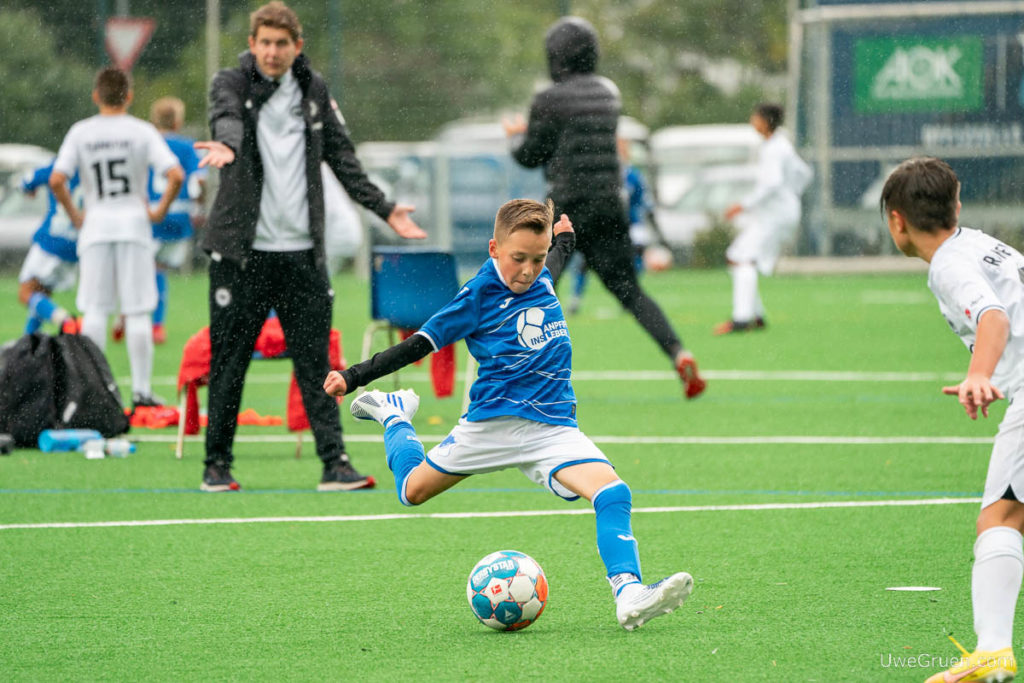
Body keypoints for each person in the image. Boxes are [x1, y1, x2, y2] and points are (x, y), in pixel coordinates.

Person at [323, 199, 694, 631]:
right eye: (518, 259)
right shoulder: (476, 298)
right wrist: (354, 376)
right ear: (494, 249)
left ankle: (629, 595)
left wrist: (565, 240)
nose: (528, 271)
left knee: (614, 494)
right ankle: (394, 415)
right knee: (411, 491)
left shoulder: (543, 277)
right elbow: (417, 345)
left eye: (536, 259)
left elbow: (552, 260)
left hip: (552, 429)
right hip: (490, 426)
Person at [194, 1, 426, 493]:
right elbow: (226, 118)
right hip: (242, 255)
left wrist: (385, 209)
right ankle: (216, 466)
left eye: (282, 44)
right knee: (229, 361)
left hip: (302, 255)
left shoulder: (314, 91)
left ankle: (334, 463)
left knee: (316, 362)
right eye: (265, 43)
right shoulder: (229, 83)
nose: (272, 52)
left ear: (296, 46)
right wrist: (227, 146)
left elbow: (343, 157)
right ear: (253, 44)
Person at [502, 16, 705, 399]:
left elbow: (532, 155)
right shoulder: (609, 93)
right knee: (630, 291)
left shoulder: (548, 98)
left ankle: (525, 376)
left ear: (555, 56)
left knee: (537, 287)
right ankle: (678, 352)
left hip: (567, 210)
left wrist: (515, 138)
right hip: (609, 205)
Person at [881, 157, 1020, 683]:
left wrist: (978, 374)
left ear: (896, 221)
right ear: (956, 206)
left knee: (1000, 519)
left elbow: (993, 316)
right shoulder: (980, 242)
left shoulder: (948, 264)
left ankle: (992, 651)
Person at [50, 67, 184, 409]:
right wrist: (158, 211)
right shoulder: (141, 131)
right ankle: (141, 393)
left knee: (95, 310)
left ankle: (93, 394)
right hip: (134, 226)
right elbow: (175, 175)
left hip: (96, 226)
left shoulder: (81, 132)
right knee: (138, 311)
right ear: (129, 95)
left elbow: (57, 179)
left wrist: (76, 215)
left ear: (96, 95)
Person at [113, 96, 206, 346]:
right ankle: (157, 325)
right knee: (158, 270)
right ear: (178, 121)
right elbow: (199, 180)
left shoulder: (144, 143)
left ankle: (128, 314)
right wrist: (199, 207)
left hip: (150, 215)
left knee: (139, 270)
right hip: (178, 216)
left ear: (154, 120)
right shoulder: (188, 147)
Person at [717, 103, 812, 335]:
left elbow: (772, 183)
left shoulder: (774, 149)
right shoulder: (779, 145)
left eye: (755, 116)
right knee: (736, 257)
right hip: (778, 214)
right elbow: (805, 174)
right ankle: (755, 316)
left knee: (744, 259)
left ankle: (742, 319)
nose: (752, 120)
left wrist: (742, 205)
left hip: (776, 216)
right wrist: (792, 196)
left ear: (765, 121)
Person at [567, 134, 660, 316]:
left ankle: (631, 298)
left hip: (629, 226)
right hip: (602, 227)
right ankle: (575, 299)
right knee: (585, 263)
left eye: (622, 150)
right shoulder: (599, 175)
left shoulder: (633, 175)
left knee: (631, 263)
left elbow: (642, 201)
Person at [17, 161, 82, 334]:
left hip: (52, 239)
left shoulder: (60, 165)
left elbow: (27, 181)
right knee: (42, 293)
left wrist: (28, 189)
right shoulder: (91, 168)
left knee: (25, 293)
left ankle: (66, 321)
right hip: (76, 245)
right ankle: (28, 340)